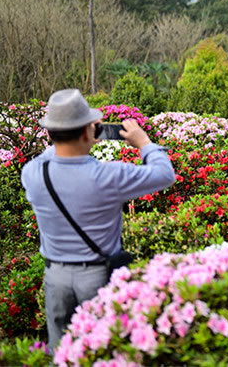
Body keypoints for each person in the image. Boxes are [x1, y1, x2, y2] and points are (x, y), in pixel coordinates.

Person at [21, 89, 176, 352]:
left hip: (55, 277)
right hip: (97, 277)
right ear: (87, 132)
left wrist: (72, 135)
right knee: (103, 349)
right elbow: (164, 173)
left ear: (50, 133)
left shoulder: (33, 173)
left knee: (61, 351)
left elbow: (53, 154)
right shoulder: (108, 176)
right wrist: (144, 142)